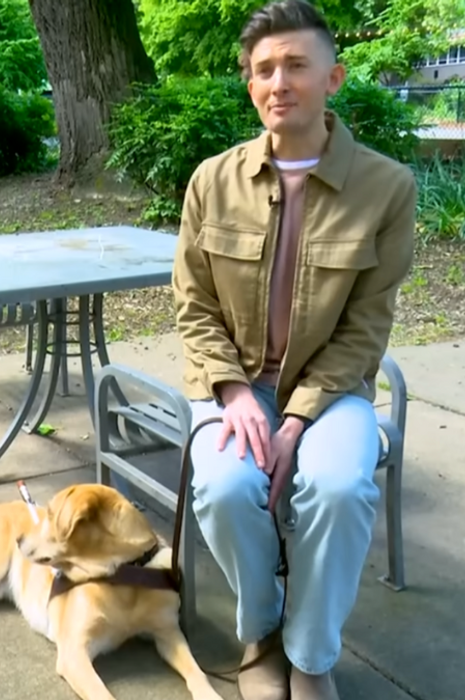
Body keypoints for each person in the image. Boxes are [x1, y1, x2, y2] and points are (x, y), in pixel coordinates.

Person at [171, 2, 416, 700]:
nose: (278, 81)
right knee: (222, 486)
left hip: (331, 389)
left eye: (296, 65)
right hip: (234, 384)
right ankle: (263, 631)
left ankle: (309, 656)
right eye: (262, 69)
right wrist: (235, 393)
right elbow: (193, 305)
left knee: (337, 487)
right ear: (250, 85)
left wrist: (296, 420)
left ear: (332, 76)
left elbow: (366, 325)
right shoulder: (210, 180)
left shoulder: (386, 188)